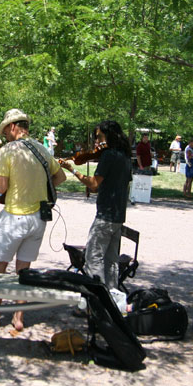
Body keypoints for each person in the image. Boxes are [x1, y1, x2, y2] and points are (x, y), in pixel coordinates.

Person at [0, 109, 66, 330]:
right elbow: (61, 176)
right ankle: (18, 317)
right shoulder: (42, 149)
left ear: (13, 127)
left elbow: (0, 187)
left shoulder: (8, 151)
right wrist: (40, 189)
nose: (6, 135)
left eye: (6, 130)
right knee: (23, 270)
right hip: (38, 219)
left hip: (14, 217)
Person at [61, 120, 132, 292]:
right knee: (112, 261)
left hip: (105, 216)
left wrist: (72, 170)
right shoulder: (125, 156)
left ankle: (96, 301)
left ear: (110, 135)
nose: (97, 141)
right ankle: (112, 299)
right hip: (118, 216)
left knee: (94, 258)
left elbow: (93, 184)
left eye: (99, 136)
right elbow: (113, 184)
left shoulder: (108, 156)